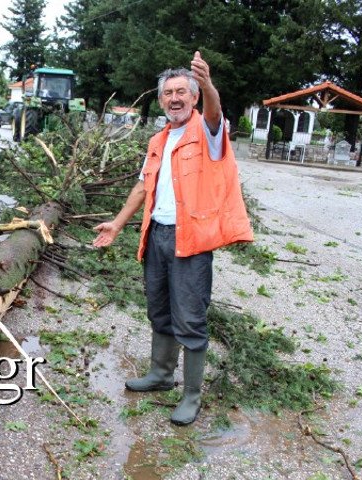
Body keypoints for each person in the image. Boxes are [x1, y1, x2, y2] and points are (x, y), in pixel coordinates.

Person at [92, 51, 253, 426]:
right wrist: (116, 225)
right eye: (168, 93)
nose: (175, 98)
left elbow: (215, 113)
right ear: (161, 99)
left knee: (191, 319)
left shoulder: (209, 132)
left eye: (183, 91)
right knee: (159, 310)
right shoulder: (158, 139)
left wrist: (209, 83)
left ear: (194, 97)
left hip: (191, 241)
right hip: (157, 237)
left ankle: (192, 397)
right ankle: (161, 375)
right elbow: (141, 187)